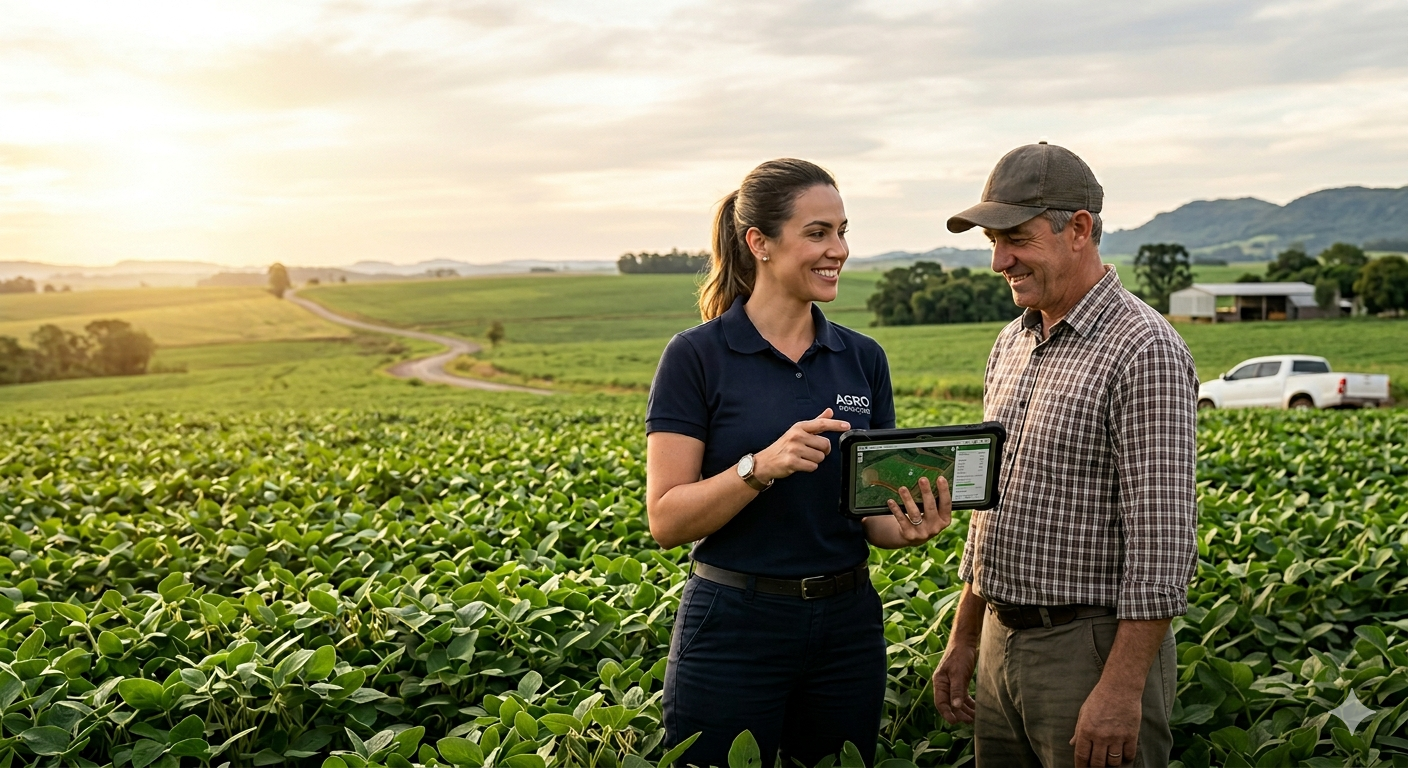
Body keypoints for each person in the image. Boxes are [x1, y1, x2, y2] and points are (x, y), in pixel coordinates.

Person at [645, 158, 951, 766]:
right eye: (818, 232)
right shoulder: (697, 356)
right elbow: (666, 519)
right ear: (759, 242)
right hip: (734, 623)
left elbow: (877, 522)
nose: (837, 249)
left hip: (847, 625)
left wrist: (915, 523)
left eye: (842, 231)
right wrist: (758, 467)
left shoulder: (862, 358)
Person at [931, 143, 1197, 768]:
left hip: (1091, 649)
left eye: (1016, 239)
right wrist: (966, 634)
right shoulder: (1013, 341)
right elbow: (992, 503)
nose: (999, 261)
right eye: (992, 242)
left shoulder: (1143, 348)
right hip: (1001, 636)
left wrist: (1122, 687)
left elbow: (1162, 542)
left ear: (1077, 229)